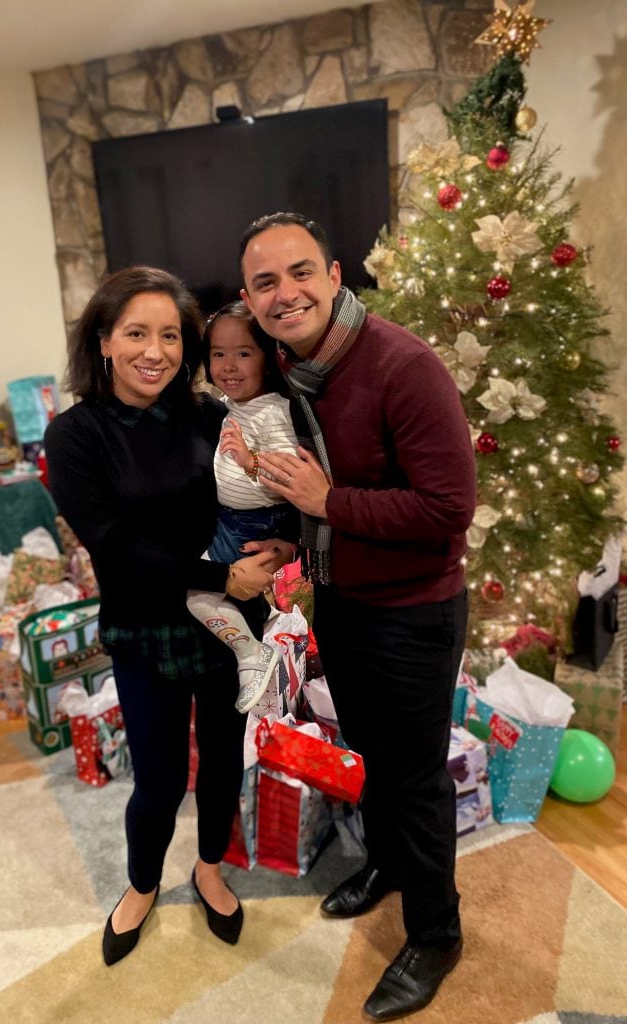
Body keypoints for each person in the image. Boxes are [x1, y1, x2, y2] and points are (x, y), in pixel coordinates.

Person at [238, 212, 477, 1022]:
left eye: (299, 272)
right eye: (266, 282)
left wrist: (326, 503)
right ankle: (389, 866)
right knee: (374, 754)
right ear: (250, 297)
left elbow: (450, 507)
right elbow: (310, 482)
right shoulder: (295, 372)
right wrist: (290, 524)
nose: (285, 292)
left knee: (415, 780)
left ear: (336, 275)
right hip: (343, 599)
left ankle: (437, 935)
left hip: (414, 612)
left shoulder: (404, 365)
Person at [44, 266, 294, 968]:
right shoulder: (74, 435)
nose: (154, 351)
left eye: (171, 336)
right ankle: (142, 883)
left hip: (227, 625)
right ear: (103, 341)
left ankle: (209, 868)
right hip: (144, 628)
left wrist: (283, 541)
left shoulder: (214, 417)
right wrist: (221, 573)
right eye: (136, 333)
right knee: (156, 778)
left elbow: (253, 498)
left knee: (220, 763)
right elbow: (114, 545)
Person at [186, 301, 301, 713]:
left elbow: (293, 477)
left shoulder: (273, 410)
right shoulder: (236, 406)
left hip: (256, 520)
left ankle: (251, 655)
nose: (229, 366)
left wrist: (249, 462)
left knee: (198, 594)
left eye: (243, 353)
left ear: (267, 359)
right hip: (235, 518)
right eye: (218, 354)